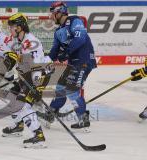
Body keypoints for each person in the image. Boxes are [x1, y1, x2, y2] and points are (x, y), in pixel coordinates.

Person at [38, 1, 97, 129]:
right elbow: (54, 51)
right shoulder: (58, 31)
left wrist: (66, 52)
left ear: (60, 12)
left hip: (84, 61)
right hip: (73, 63)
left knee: (71, 90)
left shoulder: (75, 20)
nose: (51, 16)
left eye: (53, 13)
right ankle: (50, 113)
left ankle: (83, 120)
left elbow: (80, 39)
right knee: (60, 88)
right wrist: (42, 63)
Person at [0, 13, 53, 148]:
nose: (9, 29)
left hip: (38, 76)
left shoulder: (31, 42)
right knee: (12, 96)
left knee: (24, 105)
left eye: (11, 27)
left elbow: (37, 67)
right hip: (27, 75)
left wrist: (37, 88)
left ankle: (38, 136)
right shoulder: (18, 41)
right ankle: (18, 125)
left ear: (19, 27)